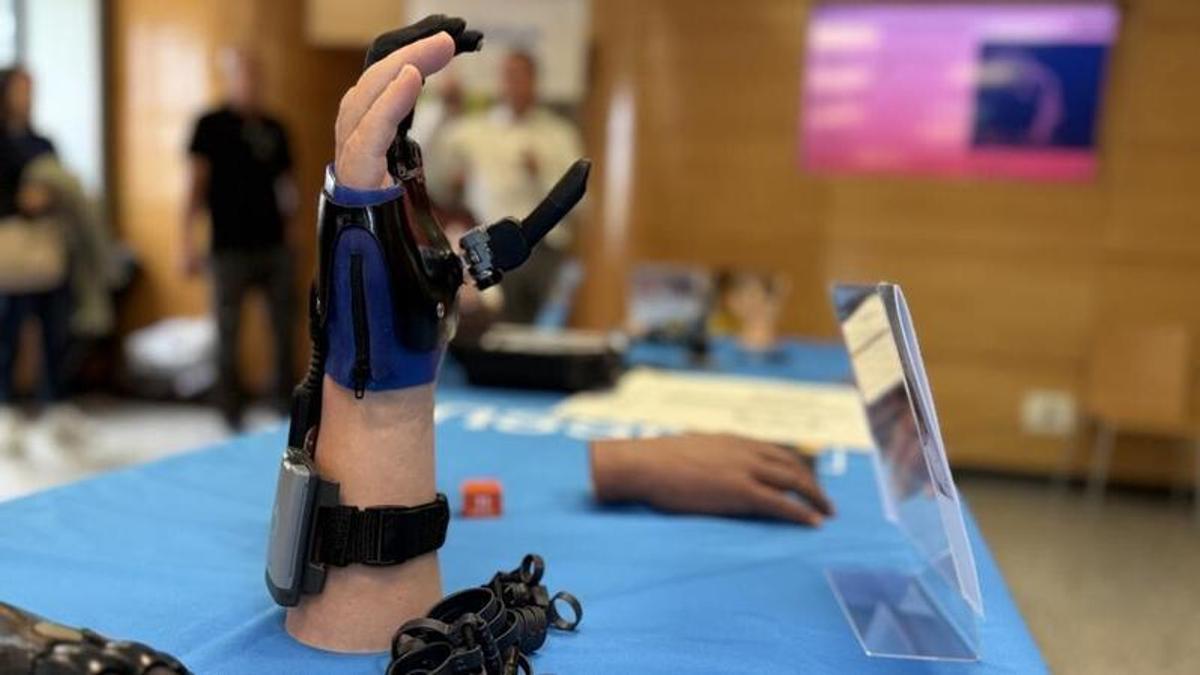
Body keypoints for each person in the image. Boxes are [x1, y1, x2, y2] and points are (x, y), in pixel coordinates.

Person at [181, 47, 297, 430]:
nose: (249, 83)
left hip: (273, 246)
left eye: (254, 75)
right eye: (241, 75)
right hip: (228, 248)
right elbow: (194, 186)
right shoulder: (210, 125)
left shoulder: (275, 128)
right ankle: (229, 410)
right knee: (227, 331)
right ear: (230, 79)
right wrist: (186, 241)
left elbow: (288, 188)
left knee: (283, 327)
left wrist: (293, 237)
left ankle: (284, 404)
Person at [429, 50, 583, 323]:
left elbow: (582, 202)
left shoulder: (559, 135)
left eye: (522, 76)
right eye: (509, 76)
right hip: (488, 242)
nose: (515, 83)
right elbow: (433, 181)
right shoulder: (472, 131)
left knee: (539, 331)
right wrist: (445, 111)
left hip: (544, 249)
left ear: (535, 81)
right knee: (490, 325)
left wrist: (542, 173)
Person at [0, 67, 73, 456]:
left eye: (31, 90)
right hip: (11, 256)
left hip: (45, 253)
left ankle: (55, 407)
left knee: (56, 334)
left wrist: (47, 198)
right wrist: (19, 202)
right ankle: (6, 409)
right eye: (20, 90)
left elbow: (62, 188)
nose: (27, 97)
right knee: (8, 334)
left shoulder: (43, 142)